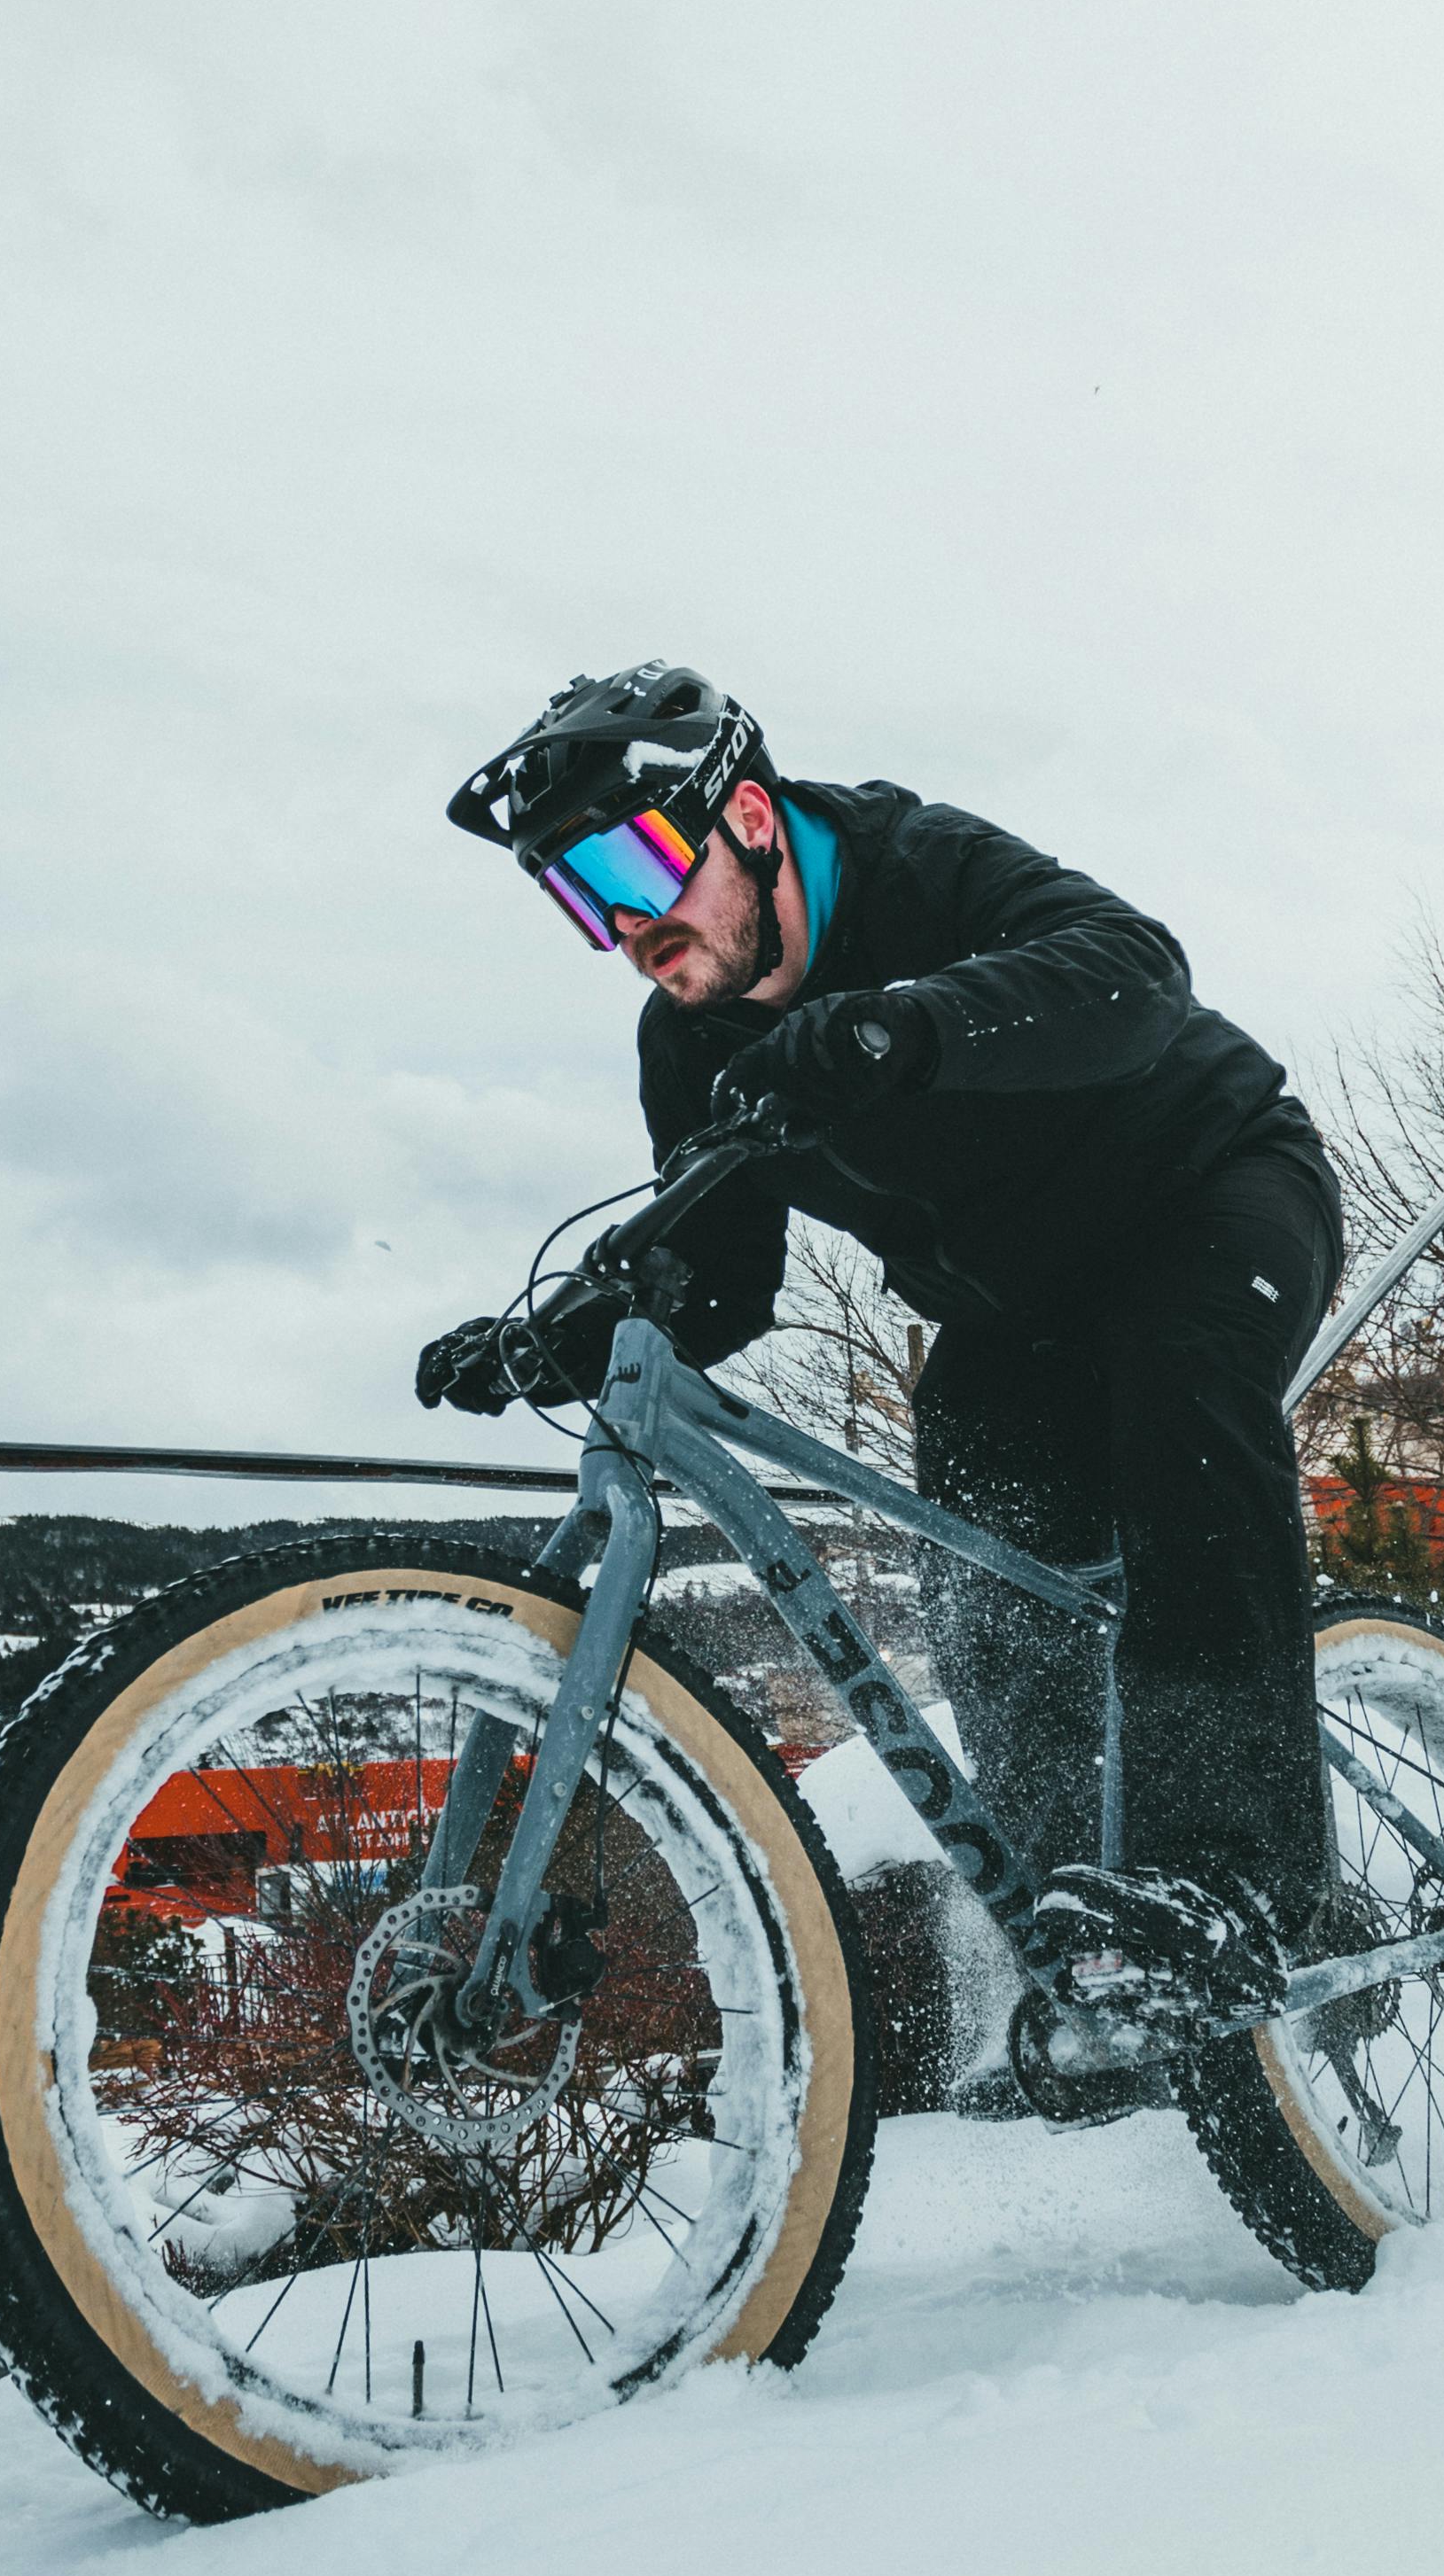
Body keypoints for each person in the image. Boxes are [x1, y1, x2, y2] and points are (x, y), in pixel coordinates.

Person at [415, 665, 1350, 2040]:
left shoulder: (919, 864)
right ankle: (1086, 1950)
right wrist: (550, 1341)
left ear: (741, 813)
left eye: (629, 861)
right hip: (1009, 1310)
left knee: (1182, 1403)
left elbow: (1133, 973)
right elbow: (718, 1285)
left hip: (1205, 1192)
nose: (623, 923)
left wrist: (891, 1028)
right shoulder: (687, 1042)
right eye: (576, 893)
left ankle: (1221, 1885)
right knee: (984, 1587)